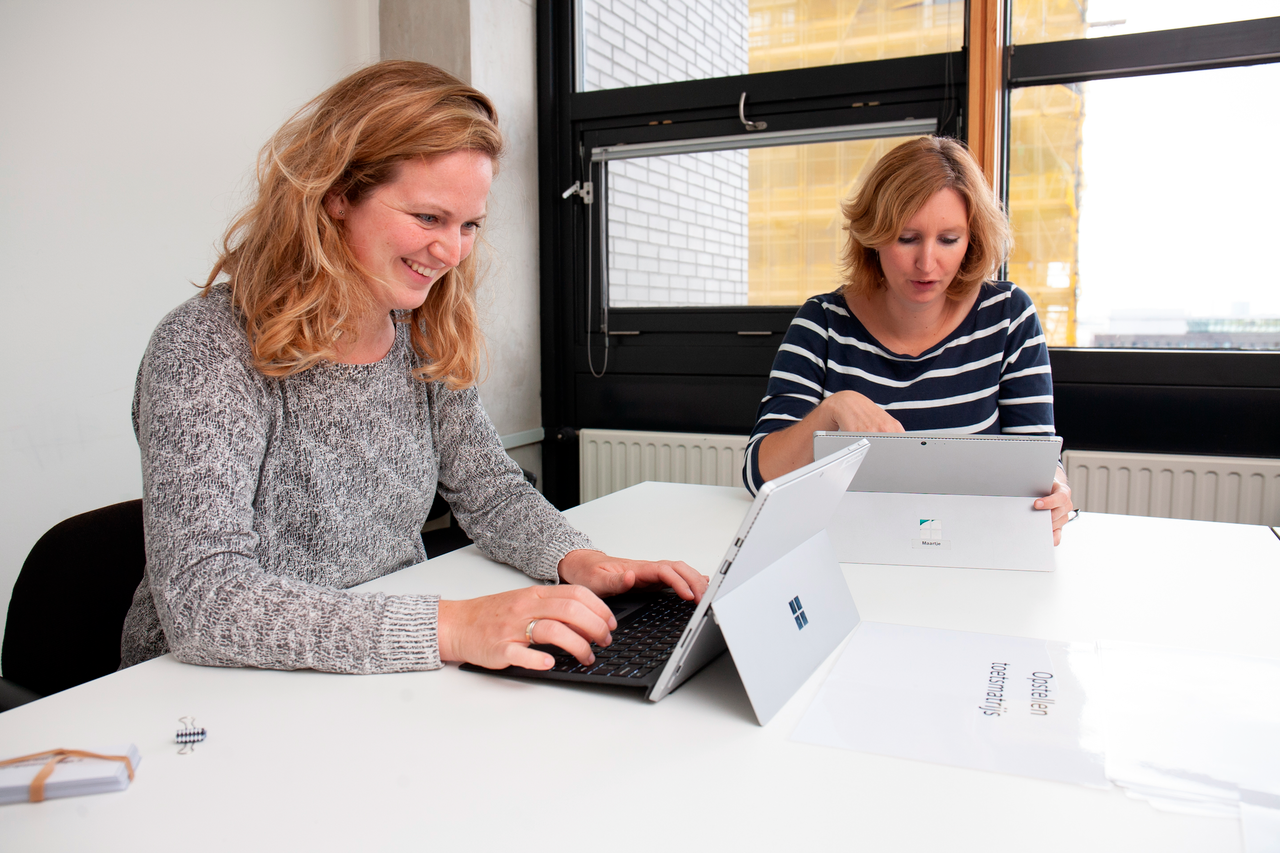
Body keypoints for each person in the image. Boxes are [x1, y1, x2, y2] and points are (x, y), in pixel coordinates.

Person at [120, 61, 707, 676]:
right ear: (337, 194)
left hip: (378, 650)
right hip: (208, 687)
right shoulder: (204, 345)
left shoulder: (420, 329)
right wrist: (455, 625)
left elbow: (487, 486)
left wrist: (580, 560)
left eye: (469, 225)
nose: (451, 252)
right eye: (428, 218)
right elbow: (206, 601)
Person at [744, 136, 1074, 543]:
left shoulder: (1007, 316)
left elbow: (1036, 459)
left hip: (969, 547)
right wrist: (834, 409)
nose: (927, 263)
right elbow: (759, 475)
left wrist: (1055, 489)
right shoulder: (822, 323)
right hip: (849, 547)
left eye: (949, 240)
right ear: (874, 236)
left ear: (972, 239)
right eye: (906, 238)